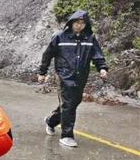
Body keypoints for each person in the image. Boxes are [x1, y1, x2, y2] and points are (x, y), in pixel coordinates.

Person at [38, 10, 108, 147]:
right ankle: (67, 136)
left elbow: (97, 54)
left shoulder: (90, 38)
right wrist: (42, 72)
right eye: (77, 22)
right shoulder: (60, 37)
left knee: (73, 102)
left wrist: (102, 68)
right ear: (71, 23)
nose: (79, 26)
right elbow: (47, 55)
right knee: (69, 103)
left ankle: (51, 121)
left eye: (82, 23)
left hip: (81, 75)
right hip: (63, 75)